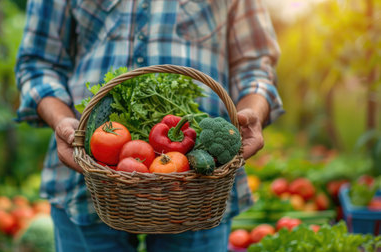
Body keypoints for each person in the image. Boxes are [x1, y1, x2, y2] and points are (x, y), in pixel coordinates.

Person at [15, 0, 284, 251]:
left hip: (201, 187)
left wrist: (252, 112)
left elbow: (255, 64)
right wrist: (62, 121)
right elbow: (38, 63)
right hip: (86, 175)